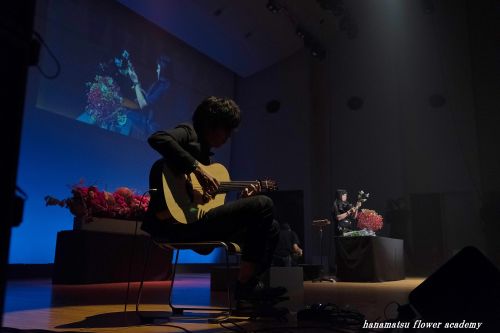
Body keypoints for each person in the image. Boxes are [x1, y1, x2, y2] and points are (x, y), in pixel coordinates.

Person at [141, 96, 286, 303]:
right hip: (174, 226)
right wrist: (196, 168)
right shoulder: (189, 132)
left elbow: (205, 206)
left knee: (271, 227)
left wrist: (244, 201)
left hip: (197, 222)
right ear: (211, 124)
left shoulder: (211, 161)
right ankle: (246, 290)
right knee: (264, 203)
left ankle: (247, 288)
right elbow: (158, 138)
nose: (228, 136)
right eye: (226, 129)